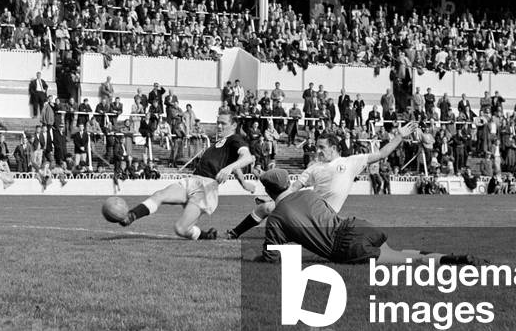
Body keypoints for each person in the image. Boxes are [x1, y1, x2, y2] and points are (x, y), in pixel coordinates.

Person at [226, 121, 414, 239]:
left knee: (276, 214)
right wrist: (276, 198)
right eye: (317, 147)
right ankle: (235, 232)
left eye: (322, 147)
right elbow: (294, 189)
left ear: (334, 147)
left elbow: (382, 153)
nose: (318, 151)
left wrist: (399, 136)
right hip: (306, 208)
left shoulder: (350, 162)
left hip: (325, 214)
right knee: (266, 208)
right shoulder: (313, 168)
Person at [256, 169, 476, 266]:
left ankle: (452, 261)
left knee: (405, 261)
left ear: (268, 190)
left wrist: (255, 258)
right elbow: (329, 215)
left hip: (345, 246)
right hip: (356, 226)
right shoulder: (309, 194)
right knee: (399, 254)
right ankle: (449, 257)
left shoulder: (276, 218)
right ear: (287, 182)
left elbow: (272, 257)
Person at [113, 111, 255, 240]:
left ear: (234, 125)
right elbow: (235, 164)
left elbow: (247, 157)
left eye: (223, 123)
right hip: (192, 180)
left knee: (181, 229)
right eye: (217, 122)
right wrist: (243, 183)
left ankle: (206, 235)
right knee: (159, 195)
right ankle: (130, 216)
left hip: (205, 188)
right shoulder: (221, 142)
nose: (218, 126)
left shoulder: (235, 139)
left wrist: (229, 168)